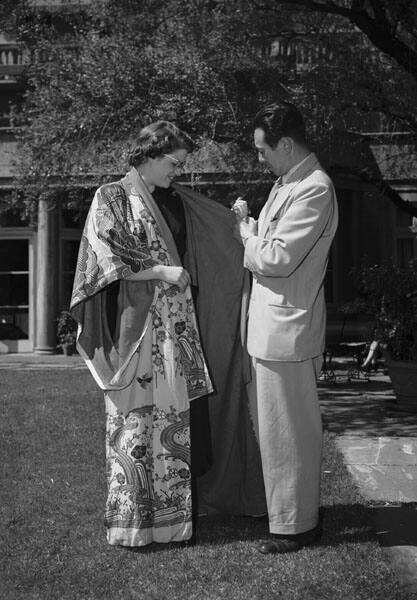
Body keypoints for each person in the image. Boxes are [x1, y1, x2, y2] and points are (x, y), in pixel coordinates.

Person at [70, 121, 265, 548]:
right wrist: (160, 270)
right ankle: (132, 525)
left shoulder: (172, 201)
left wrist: (240, 227)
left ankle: (173, 524)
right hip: (136, 330)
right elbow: (101, 258)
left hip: (174, 327)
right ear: (150, 154)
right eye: (174, 162)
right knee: (134, 425)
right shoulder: (112, 196)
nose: (178, 170)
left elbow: (208, 240)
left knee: (172, 425)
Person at [232, 102, 338, 554]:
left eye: (262, 150)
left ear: (287, 144)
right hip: (274, 330)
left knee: (289, 433)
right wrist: (254, 228)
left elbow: (275, 259)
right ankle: (290, 518)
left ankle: (296, 526)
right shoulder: (287, 184)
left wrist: (244, 234)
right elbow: (275, 247)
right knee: (277, 432)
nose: (260, 158)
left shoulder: (313, 189)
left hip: (287, 333)